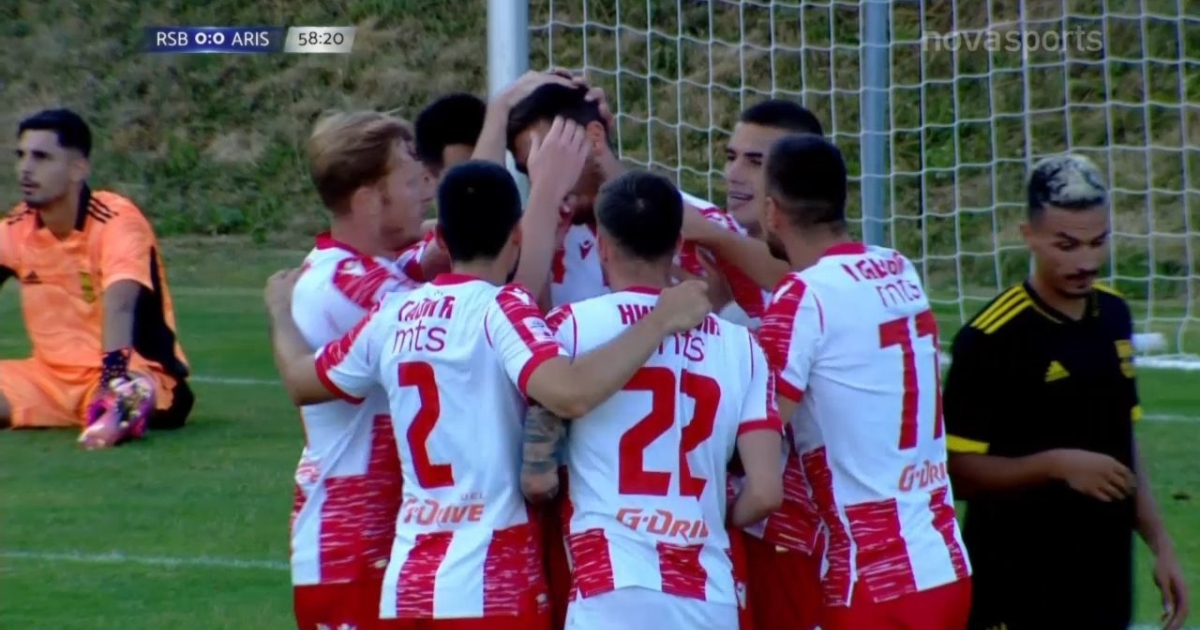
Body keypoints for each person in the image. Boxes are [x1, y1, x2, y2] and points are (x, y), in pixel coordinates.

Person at [265, 159, 714, 630]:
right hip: (494, 582)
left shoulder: (393, 315)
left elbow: (300, 380)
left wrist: (279, 312)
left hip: (410, 585)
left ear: (440, 238)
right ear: (517, 234)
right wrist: (659, 320)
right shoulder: (503, 308)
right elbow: (570, 394)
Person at [520, 170, 785, 629]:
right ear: (678, 242)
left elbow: (537, 473)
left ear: (602, 245)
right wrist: (705, 517)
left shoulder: (570, 327)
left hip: (611, 586)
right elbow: (764, 492)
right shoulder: (743, 346)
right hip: (709, 592)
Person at [943, 154, 1189, 630]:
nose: (1086, 262)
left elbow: (1124, 442)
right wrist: (1056, 465)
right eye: (1067, 245)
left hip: (1104, 582)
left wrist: (1161, 546)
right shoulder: (991, 338)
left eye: (1098, 242)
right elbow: (956, 474)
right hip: (1017, 587)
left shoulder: (1115, 314)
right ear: (1029, 235)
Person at [757, 134, 972, 630]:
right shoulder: (898, 268)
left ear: (772, 210)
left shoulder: (802, 297)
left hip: (871, 581)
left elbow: (759, 434)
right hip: (945, 564)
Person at [287, 111, 429, 630]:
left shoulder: (369, 267)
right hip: (350, 548)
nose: (425, 194)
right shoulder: (346, 285)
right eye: (410, 183)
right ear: (369, 200)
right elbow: (457, 319)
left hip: (381, 541)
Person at [0, 108, 193, 448]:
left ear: (78, 168)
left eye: (41, 157)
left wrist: (111, 381)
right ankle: (109, 415)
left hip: (134, 371)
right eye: (22, 156)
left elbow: (121, 304)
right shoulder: (16, 228)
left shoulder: (116, 220)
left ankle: (116, 411)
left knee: (134, 389)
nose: (26, 168)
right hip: (47, 380)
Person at [499, 81, 762, 315]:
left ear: (594, 137)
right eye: (529, 168)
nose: (540, 179)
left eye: (550, 156)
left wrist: (717, 315)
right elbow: (521, 338)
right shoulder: (531, 245)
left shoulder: (701, 225)